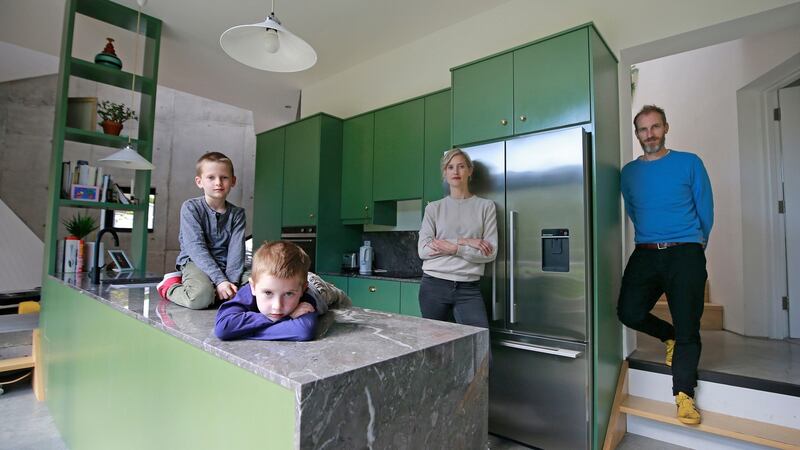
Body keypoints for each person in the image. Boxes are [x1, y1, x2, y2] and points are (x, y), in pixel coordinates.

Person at [617, 105, 713, 425]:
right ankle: (667, 335)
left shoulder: (689, 162)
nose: (650, 134)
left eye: (655, 127)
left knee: (688, 325)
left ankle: (684, 395)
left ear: (666, 128)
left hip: (685, 251)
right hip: (645, 252)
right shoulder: (629, 172)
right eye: (643, 129)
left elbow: (705, 209)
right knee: (628, 311)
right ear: (637, 134)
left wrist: (697, 244)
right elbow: (633, 209)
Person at [417, 148, 498, 328]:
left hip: (468, 288)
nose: (456, 171)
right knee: (433, 342)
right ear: (445, 173)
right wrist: (465, 242)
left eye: (461, 166)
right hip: (433, 285)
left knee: (478, 341)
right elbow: (423, 250)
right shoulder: (433, 208)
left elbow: (490, 252)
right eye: (450, 167)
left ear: (470, 171)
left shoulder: (486, 207)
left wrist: (454, 248)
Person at [156, 151, 246, 309]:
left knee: (260, 286)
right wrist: (220, 280)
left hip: (226, 264)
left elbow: (236, 251)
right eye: (211, 177)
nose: (218, 182)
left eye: (224, 177)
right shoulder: (190, 208)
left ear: (233, 181)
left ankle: (217, 292)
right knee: (200, 297)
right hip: (195, 262)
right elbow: (195, 247)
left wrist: (231, 284)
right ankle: (170, 286)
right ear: (199, 182)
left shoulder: (237, 214)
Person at [214, 240, 318, 341]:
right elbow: (223, 328)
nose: (277, 307)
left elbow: (303, 331)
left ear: (303, 290)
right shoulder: (250, 289)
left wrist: (241, 330)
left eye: (289, 294)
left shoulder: (305, 298)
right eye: (268, 293)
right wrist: (287, 318)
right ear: (253, 287)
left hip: (317, 285)